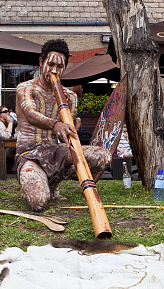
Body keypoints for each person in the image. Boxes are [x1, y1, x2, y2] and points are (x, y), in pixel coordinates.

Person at [15, 39, 111, 212]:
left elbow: (67, 134)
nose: (54, 70)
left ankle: (54, 182)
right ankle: (34, 182)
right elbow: (30, 115)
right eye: (50, 64)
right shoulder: (26, 88)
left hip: (56, 153)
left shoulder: (70, 96)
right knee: (39, 203)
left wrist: (66, 127)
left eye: (59, 67)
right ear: (41, 62)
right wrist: (55, 124)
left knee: (103, 156)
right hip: (29, 153)